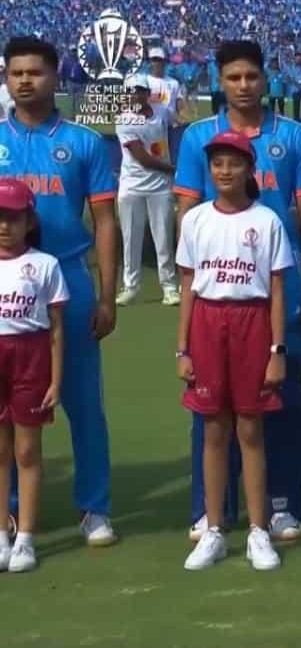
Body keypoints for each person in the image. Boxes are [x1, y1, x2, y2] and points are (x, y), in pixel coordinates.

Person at [175, 39, 301, 543]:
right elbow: (187, 217)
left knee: (281, 398)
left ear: (265, 80)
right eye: (233, 78)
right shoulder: (199, 137)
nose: (243, 86)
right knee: (211, 407)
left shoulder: (294, 137)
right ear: (220, 81)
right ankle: (211, 508)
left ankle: (283, 504)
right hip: (217, 299)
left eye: (251, 77)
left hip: (278, 293)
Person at [0, 37, 119, 547]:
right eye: (16, 72)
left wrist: (108, 294)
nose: (25, 80)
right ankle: (8, 513)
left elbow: (106, 219)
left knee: (83, 401)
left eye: (36, 72)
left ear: (55, 77)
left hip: (66, 279)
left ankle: (94, 507)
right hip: (4, 283)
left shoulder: (85, 142)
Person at [177, 131, 292, 571]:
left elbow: (278, 292)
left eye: (234, 163)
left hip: (252, 323)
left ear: (249, 169)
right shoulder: (196, 220)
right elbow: (188, 286)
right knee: (212, 431)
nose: (225, 171)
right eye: (217, 164)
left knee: (250, 429)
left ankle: (259, 532)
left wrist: (277, 349)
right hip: (207, 323)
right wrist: (182, 348)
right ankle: (213, 530)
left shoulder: (266, 221)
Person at [0, 178, 67, 573]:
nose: (5, 226)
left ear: (30, 222)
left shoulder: (45, 265)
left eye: (14, 218)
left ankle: (25, 537)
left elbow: (56, 329)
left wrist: (56, 381)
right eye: (0, 218)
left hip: (31, 357)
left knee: (27, 450)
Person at [115, 74, 179, 308]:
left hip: (160, 187)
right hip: (133, 185)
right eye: (131, 91)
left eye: (140, 90)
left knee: (163, 238)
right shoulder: (125, 120)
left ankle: (170, 288)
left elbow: (174, 126)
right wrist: (172, 168)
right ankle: (131, 287)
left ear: (146, 92)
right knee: (131, 238)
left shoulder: (161, 111)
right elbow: (142, 158)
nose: (136, 95)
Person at [146, 47, 183, 118]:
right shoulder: (144, 82)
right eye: (154, 60)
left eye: (160, 60)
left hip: (169, 126)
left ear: (164, 62)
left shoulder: (174, 83)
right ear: (150, 62)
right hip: (149, 125)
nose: (157, 63)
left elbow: (179, 106)